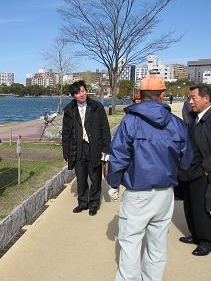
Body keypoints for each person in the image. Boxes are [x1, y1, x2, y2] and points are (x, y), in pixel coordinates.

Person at [107, 74, 193, 281]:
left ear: (139, 94)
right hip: (165, 193)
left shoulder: (130, 121)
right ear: (163, 94)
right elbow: (187, 159)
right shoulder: (176, 123)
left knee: (130, 243)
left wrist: (113, 183)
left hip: (137, 193)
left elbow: (118, 156)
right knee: (158, 245)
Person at [62, 80, 111, 215]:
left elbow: (105, 129)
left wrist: (107, 150)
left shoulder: (97, 107)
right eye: (78, 93)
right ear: (73, 96)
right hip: (77, 148)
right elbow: (65, 133)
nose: (81, 94)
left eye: (83, 91)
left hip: (94, 147)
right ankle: (83, 203)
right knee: (81, 177)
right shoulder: (69, 110)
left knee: (95, 177)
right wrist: (65, 153)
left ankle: (94, 204)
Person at [179, 85, 211, 256]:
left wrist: (207, 168)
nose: (190, 102)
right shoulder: (194, 118)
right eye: (189, 98)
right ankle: (196, 234)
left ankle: (206, 240)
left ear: (206, 99)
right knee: (190, 203)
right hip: (192, 168)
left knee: (202, 207)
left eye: (194, 98)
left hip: (204, 170)